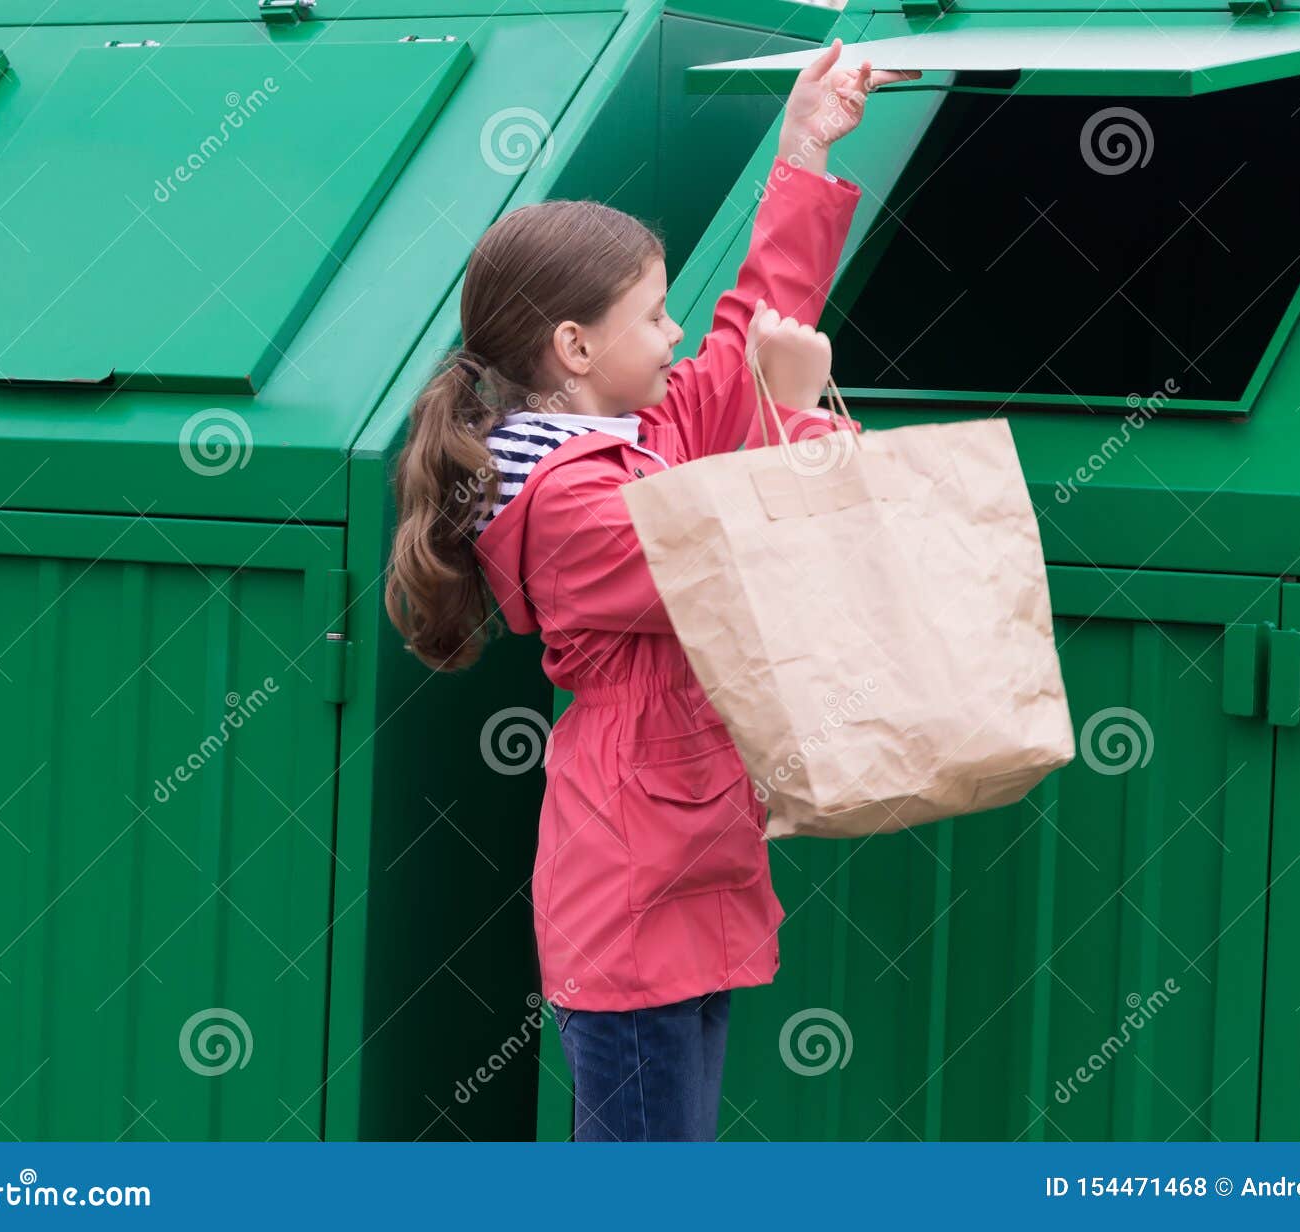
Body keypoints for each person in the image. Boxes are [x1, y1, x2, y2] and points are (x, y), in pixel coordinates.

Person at [386, 39, 917, 1141]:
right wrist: (795, 412)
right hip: (634, 901)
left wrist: (805, 146)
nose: (678, 333)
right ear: (575, 346)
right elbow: (742, 551)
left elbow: (740, 339)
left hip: (682, 870)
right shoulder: (566, 509)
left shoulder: (627, 437)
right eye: (654, 316)